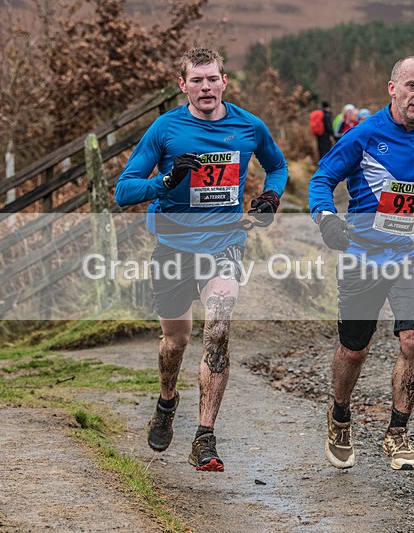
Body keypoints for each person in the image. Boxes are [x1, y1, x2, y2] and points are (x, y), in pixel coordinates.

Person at [115, 47, 288, 472]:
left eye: (213, 79)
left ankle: (204, 436)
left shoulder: (248, 126)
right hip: (173, 247)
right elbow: (123, 191)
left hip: (225, 243)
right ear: (183, 85)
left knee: (219, 325)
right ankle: (167, 401)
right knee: (175, 340)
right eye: (197, 80)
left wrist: (270, 196)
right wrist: (167, 180)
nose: (206, 87)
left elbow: (278, 166)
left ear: (225, 81)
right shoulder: (165, 129)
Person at [308, 55, 414, 471]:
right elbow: (322, 179)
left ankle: (397, 432)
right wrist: (327, 219)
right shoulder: (363, 135)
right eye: (412, 86)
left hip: (412, 255)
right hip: (363, 255)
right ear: (392, 89)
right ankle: (340, 415)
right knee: (354, 350)